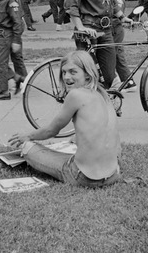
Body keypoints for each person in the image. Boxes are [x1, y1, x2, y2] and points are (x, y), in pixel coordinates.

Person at [7, 51, 121, 187]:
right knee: (70, 148)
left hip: (85, 177)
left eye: (73, 72)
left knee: (28, 148)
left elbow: (51, 131)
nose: (67, 77)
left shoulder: (75, 95)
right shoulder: (103, 93)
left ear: (87, 74)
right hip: (114, 174)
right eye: (64, 72)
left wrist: (27, 136)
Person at [111, 0, 135, 91]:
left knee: (116, 54)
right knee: (116, 54)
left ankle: (128, 81)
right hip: (113, 28)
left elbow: (116, 12)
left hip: (115, 29)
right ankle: (128, 81)